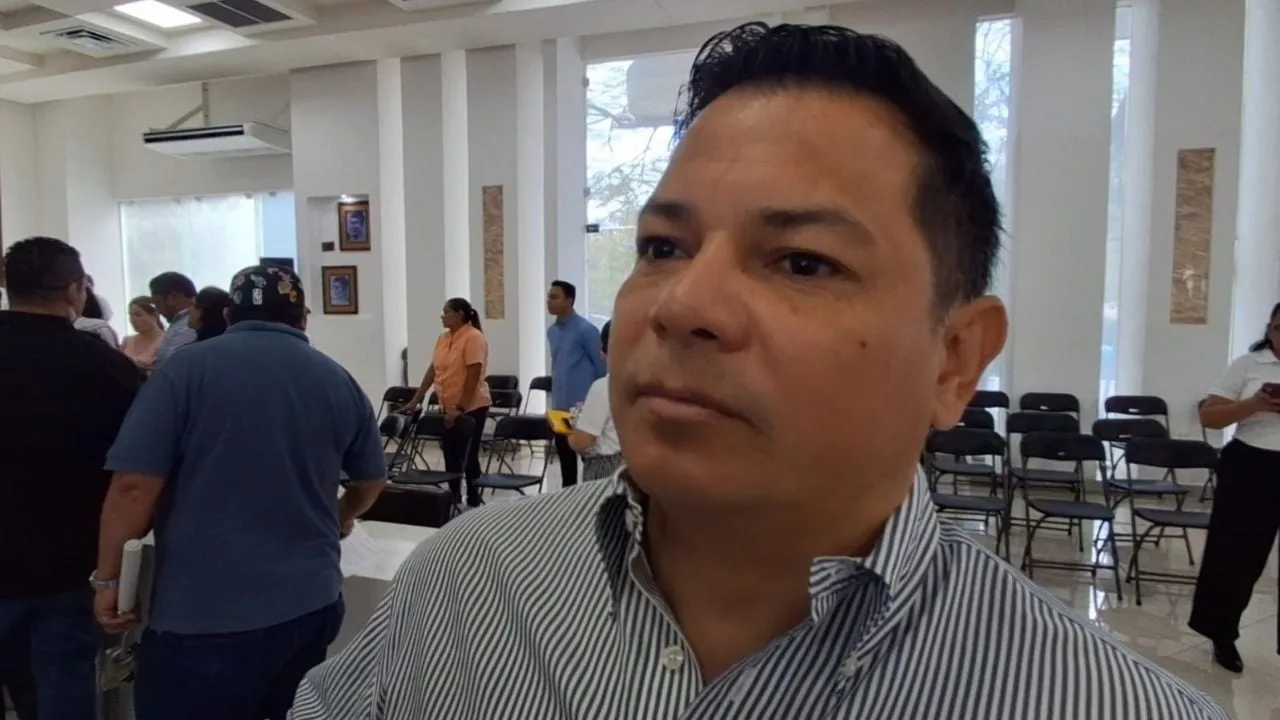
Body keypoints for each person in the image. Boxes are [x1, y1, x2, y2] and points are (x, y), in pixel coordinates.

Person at [291, 24, 1229, 719]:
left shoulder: (1094, 703)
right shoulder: (466, 588)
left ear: (955, 360)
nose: (681, 304)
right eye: (661, 246)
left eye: (803, 262)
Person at [94, 264, 387, 720]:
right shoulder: (336, 379)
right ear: (303, 317)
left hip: (205, 613)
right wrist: (342, 514)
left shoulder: (185, 372)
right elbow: (370, 481)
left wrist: (110, 581)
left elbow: (133, 487)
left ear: (229, 314)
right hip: (310, 603)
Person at [0, 237, 141, 720]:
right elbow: (135, 474)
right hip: (69, 565)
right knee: (63, 696)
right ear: (76, 290)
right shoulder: (105, 366)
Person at [1190, 302, 1280, 672]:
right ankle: (1222, 634)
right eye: (1279, 327)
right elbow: (1209, 416)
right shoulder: (1248, 365)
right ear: (1269, 328)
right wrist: (1254, 404)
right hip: (1251, 464)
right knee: (1236, 556)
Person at [401, 298, 492, 507]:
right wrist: (417, 398)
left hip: (472, 406)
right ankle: (454, 498)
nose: (442, 316)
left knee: (467, 455)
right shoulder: (443, 338)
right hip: (446, 404)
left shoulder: (473, 337)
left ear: (460, 314)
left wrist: (460, 408)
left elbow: (473, 375)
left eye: (446, 312)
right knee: (450, 454)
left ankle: (473, 499)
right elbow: (433, 369)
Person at [546, 279, 606, 489]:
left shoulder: (586, 330)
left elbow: (601, 367)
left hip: (582, 407)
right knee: (565, 459)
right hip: (560, 405)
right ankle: (567, 503)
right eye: (548, 297)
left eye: (554, 297)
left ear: (569, 300)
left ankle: (595, 499)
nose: (549, 301)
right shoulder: (552, 331)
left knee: (590, 459)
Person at [569, 320, 622, 481]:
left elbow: (582, 441)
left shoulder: (604, 387)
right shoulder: (647, 386)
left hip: (606, 468)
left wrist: (570, 432)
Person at [149, 271, 198, 366]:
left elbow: (173, 365)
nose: (158, 311)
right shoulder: (178, 322)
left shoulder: (189, 325)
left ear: (171, 297)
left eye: (158, 304)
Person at [121, 296, 166, 370]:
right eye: (130, 315)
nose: (133, 320)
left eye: (138, 315)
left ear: (154, 315)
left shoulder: (166, 341)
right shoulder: (127, 340)